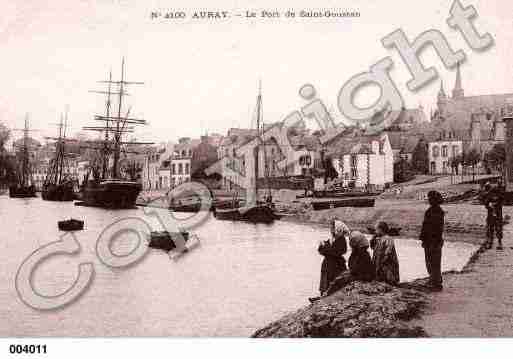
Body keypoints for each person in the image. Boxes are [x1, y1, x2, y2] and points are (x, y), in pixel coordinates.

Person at [325, 231, 375, 295]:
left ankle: (326, 295)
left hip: (363, 276)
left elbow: (355, 268)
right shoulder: (361, 253)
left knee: (339, 280)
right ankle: (326, 294)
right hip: (360, 274)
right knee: (339, 277)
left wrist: (348, 273)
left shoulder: (361, 254)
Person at [419, 190, 445, 291]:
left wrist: (423, 239)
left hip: (432, 241)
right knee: (435, 262)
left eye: (430, 198)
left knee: (431, 262)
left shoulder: (432, 211)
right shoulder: (438, 211)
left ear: (433, 200)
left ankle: (435, 283)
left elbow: (427, 227)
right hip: (435, 241)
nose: (428, 200)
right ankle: (435, 280)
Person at [317, 219, 349, 296]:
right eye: (331, 227)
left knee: (332, 282)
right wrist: (324, 247)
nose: (331, 229)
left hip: (335, 265)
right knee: (325, 282)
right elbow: (321, 250)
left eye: (332, 227)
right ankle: (323, 295)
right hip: (328, 264)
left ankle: (327, 295)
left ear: (338, 229)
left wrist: (325, 247)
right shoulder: (332, 239)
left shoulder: (341, 240)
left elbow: (336, 252)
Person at [371, 221, 400, 285]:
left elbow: (387, 253)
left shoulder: (388, 239)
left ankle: (389, 280)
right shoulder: (379, 239)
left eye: (376, 229)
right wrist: (372, 239)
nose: (375, 231)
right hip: (381, 265)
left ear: (380, 229)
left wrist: (380, 263)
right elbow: (374, 249)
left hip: (387, 266)